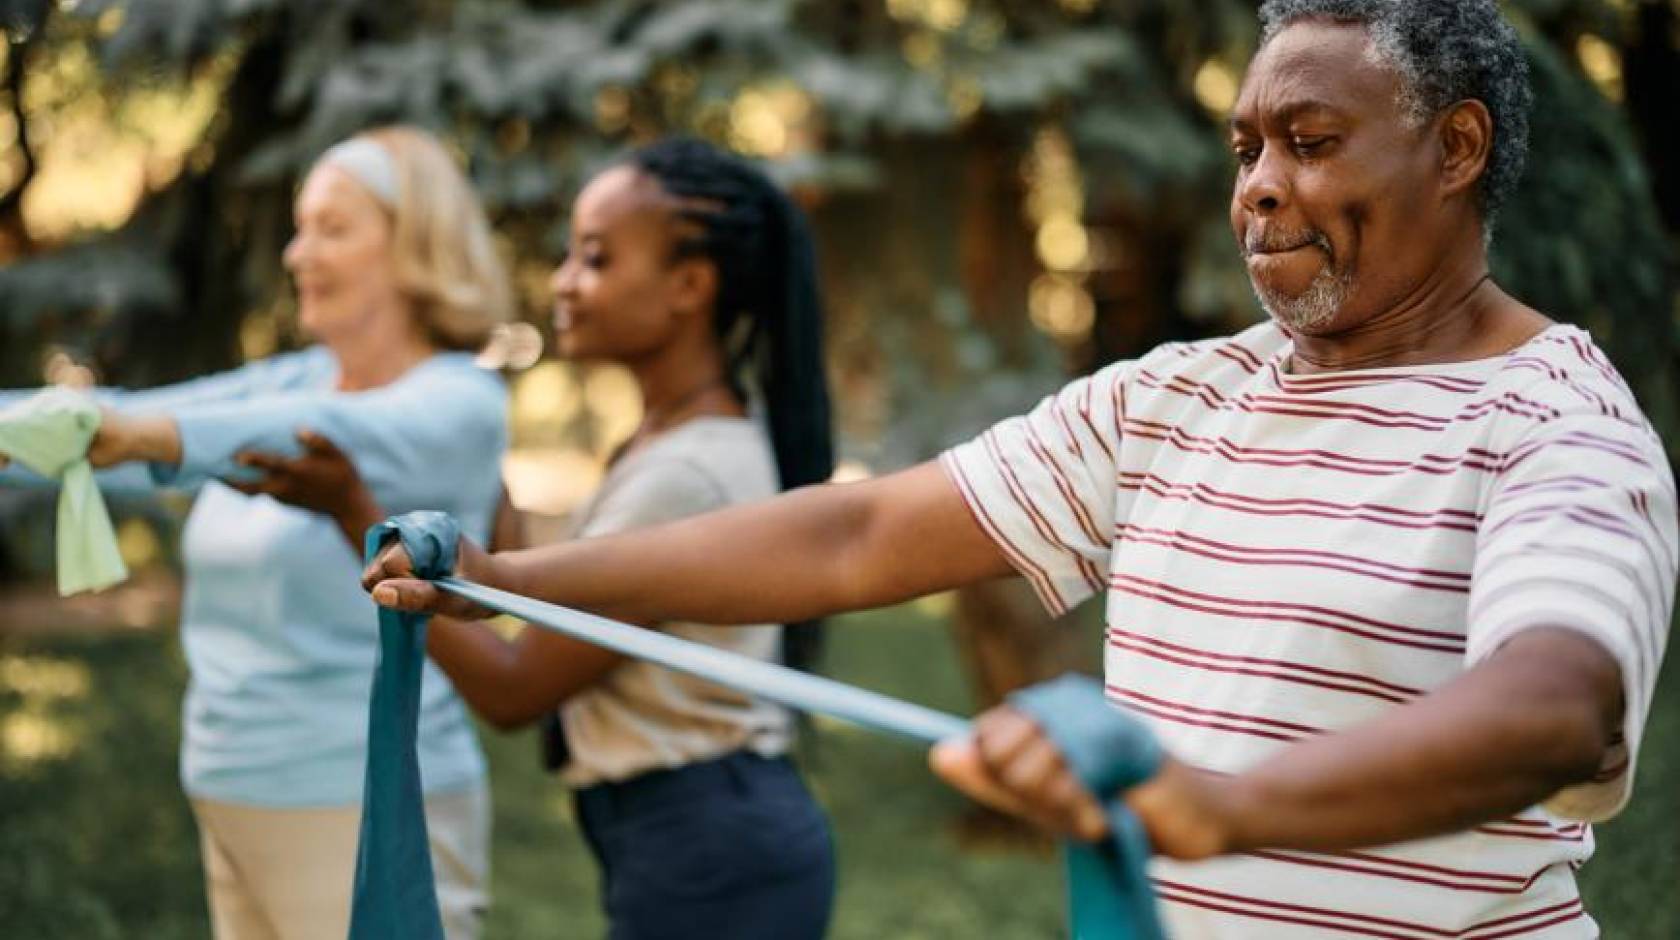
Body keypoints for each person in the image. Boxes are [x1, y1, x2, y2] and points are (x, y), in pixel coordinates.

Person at [364, 2, 1677, 937]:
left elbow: (1560, 711)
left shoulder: (1555, 425)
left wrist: (1223, 809)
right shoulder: (1179, 396)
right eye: (1245, 150)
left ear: (1455, 151)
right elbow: (856, 536)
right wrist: (510, 576)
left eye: (1312, 141)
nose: (1260, 189)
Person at [250, 137, 837, 939]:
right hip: (693, 833)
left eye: (594, 260)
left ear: (689, 287)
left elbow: (515, 688)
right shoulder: (666, 441)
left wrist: (353, 511)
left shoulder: (686, 477)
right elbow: (546, 597)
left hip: (710, 850)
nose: (563, 281)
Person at [1, 126, 511, 940]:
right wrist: (57, 429)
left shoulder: (458, 401)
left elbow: (295, 430)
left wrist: (143, 433)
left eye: (334, 229)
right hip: (232, 793)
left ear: (416, 248)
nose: (298, 253)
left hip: (363, 802)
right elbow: (136, 427)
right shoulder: (296, 373)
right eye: (301, 227)